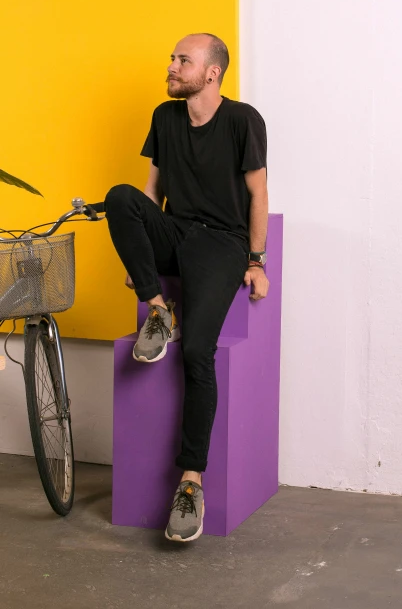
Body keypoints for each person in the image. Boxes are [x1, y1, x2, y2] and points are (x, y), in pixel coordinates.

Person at [104, 33, 269, 543]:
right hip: (176, 232)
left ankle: (191, 482)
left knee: (197, 354)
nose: (172, 66)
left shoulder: (243, 120)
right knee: (119, 196)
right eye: (173, 59)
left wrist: (257, 261)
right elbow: (151, 192)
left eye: (183, 60)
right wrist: (146, 259)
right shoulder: (165, 116)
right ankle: (159, 309)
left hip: (222, 243)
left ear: (212, 72)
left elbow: (258, 193)